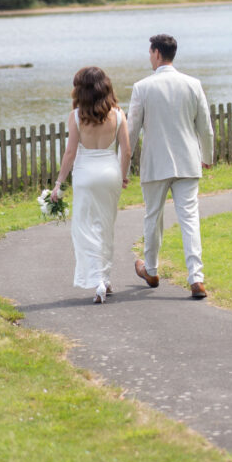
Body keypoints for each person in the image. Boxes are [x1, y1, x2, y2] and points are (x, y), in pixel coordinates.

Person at [127, 34, 214, 299]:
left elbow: (131, 131)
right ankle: (196, 278)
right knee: (189, 220)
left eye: (149, 52)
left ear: (156, 53)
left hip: (155, 163)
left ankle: (151, 270)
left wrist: (124, 164)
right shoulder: (193, 84)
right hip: (188, 161)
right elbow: (205, 128)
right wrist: (207, 156)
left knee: (153, 217)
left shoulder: (142, 87)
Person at [51, 67, 131, 304]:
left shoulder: (76, 116)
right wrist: (123, 174)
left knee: (85, 229)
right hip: (110, 173)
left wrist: (59, 184)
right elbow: (126, 151)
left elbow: (70, 153)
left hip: (85, 176)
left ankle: (97, 280)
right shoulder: (118, 114)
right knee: (106, 227)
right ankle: (104, 278)